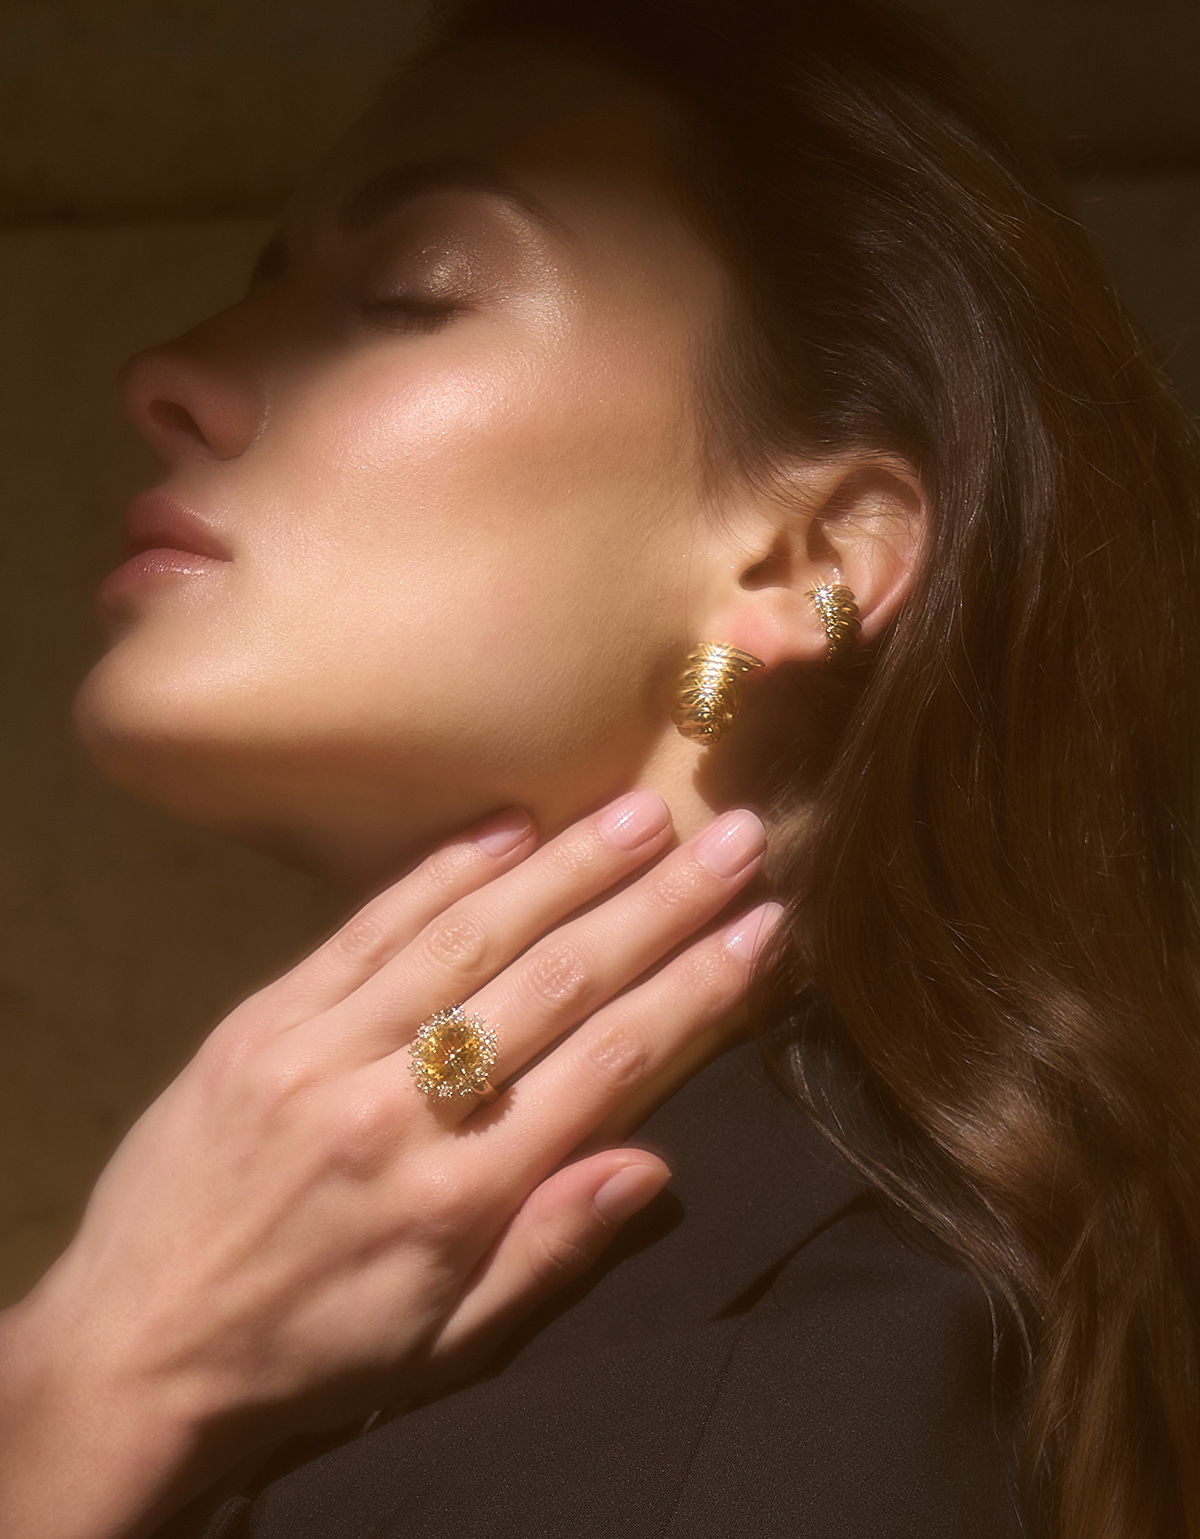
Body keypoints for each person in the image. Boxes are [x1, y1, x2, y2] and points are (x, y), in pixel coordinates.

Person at [4, 0, 1200, 1534]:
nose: (166, 373)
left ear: (811, 558)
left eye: (412, 291)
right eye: (261, 278)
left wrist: (85, 1393)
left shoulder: (745, 1432)